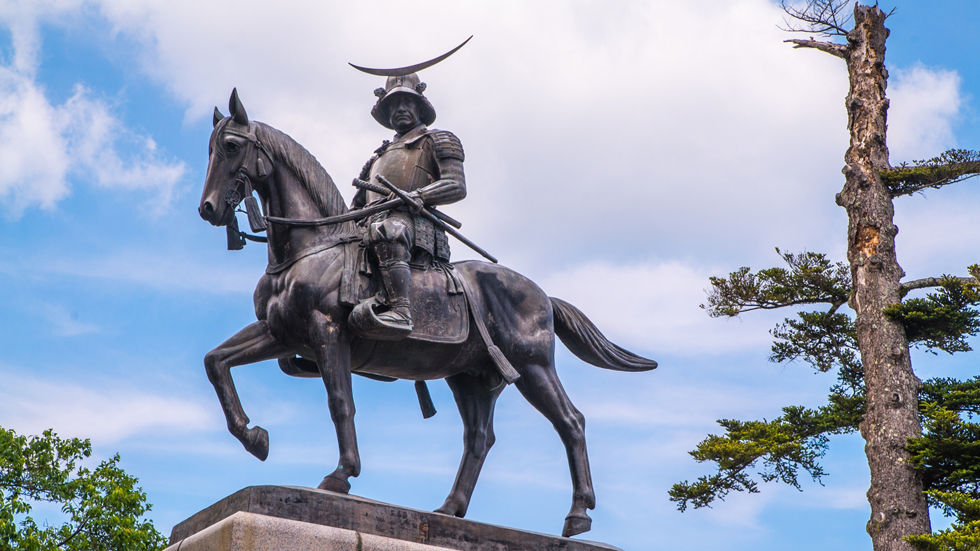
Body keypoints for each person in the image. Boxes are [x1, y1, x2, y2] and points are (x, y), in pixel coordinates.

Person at [351, 72, 466, 336]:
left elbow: (456, 185)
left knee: (388, 231)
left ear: (420, 107)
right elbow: (357, 207)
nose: (400, 109)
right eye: (393, 105)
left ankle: (401, 310)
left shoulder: (437, 140)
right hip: (370, 223)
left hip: (413, 224)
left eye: (407, 103)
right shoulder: (377, 157)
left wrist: (420, 196)